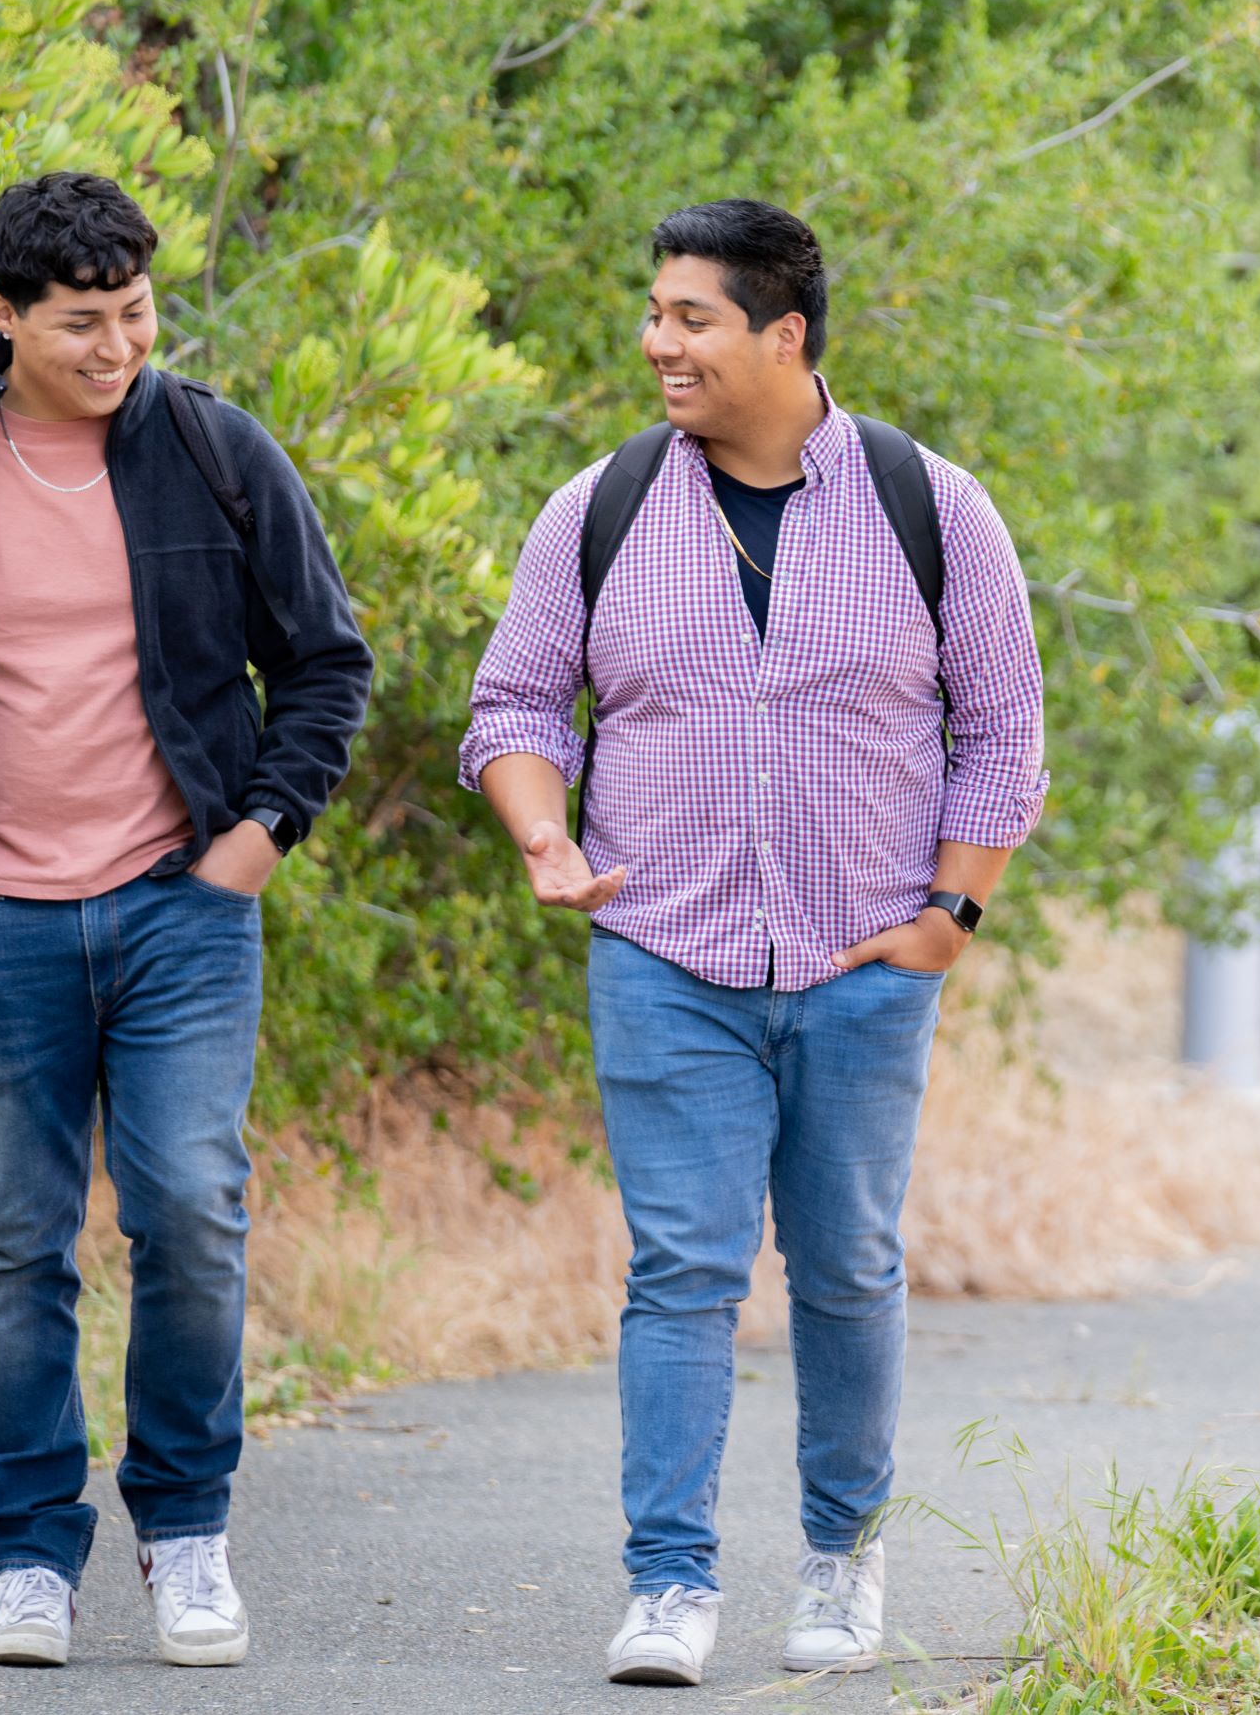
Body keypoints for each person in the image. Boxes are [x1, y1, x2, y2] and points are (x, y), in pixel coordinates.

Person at [0, 172, 373, 1670]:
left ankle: (186, 1533)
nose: (117, 347)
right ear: (2, 317)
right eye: (81, 323)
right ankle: (30, 1551)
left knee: (188, 1207)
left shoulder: (215, 453)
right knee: (16, 1238)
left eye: (136, 314)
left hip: (182, 903)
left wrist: (252, 842)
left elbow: (326, 664)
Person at [461, 198, 1048, 1688]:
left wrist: (950, 916)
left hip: (866, 964)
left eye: (690, 317)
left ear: (783, 333)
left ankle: (842, 1563)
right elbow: (516, 709)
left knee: (848, 1264)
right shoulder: (598, 508)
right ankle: (669, 1583)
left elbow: (1003, 737)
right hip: (662, 955)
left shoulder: (933, 504)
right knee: (682, 1271)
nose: (658, 342)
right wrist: (547, 840)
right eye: (654, 314)